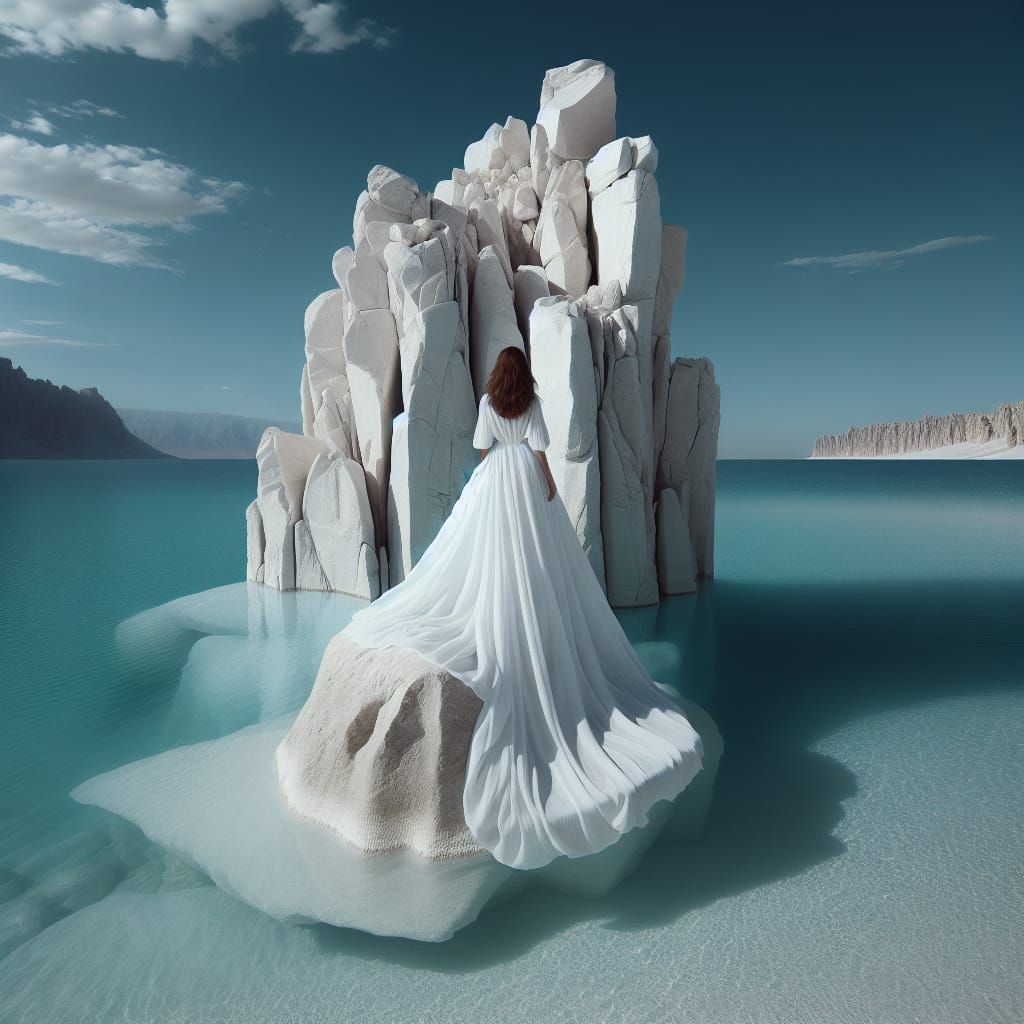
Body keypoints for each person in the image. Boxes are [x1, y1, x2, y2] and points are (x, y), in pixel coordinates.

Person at [343, 346, 702, 870]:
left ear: (497, 374)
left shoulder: (490, 402)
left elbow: (483, 451)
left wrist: (487, 481)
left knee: (488, 555)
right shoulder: (529, 401)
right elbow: (540, 452)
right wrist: (549, 486)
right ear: (523, 374)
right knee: (538, 562)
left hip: (494, 483)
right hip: (524, 483)